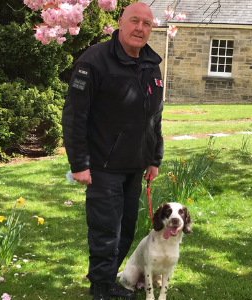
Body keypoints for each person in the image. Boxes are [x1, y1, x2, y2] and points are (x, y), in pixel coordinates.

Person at [62, 2, 164, 300]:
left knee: (126, 230)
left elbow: (154, 116)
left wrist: (154, 157)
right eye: (134, 21)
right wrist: (79, 163)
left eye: (147, 24)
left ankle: (107, 278)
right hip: (102, 165)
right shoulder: (94, 61)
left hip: (135, 165)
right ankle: (101, 287)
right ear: (120, 22)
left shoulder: (151, 64)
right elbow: (74, 115)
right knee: (106, 231)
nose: (140, 28)